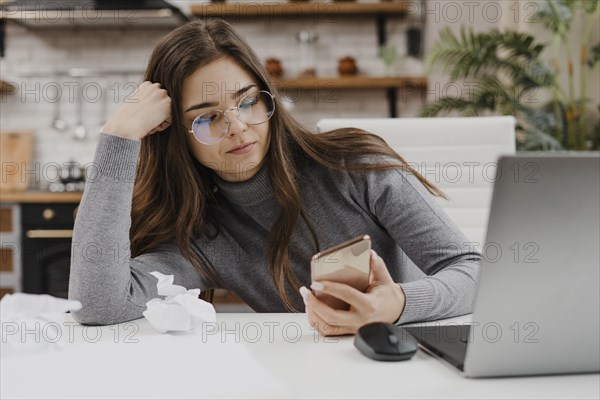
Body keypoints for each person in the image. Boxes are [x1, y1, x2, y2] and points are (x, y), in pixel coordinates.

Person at [69, 19, 481, 336]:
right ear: (175, 134)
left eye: (247, 101)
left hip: (399, 359)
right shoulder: (198, 235)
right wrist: (118, 139)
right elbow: (99, 305)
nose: (238, 126)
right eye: (207, 118)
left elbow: (474, 270)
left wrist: (399, 303)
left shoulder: (358, 168)